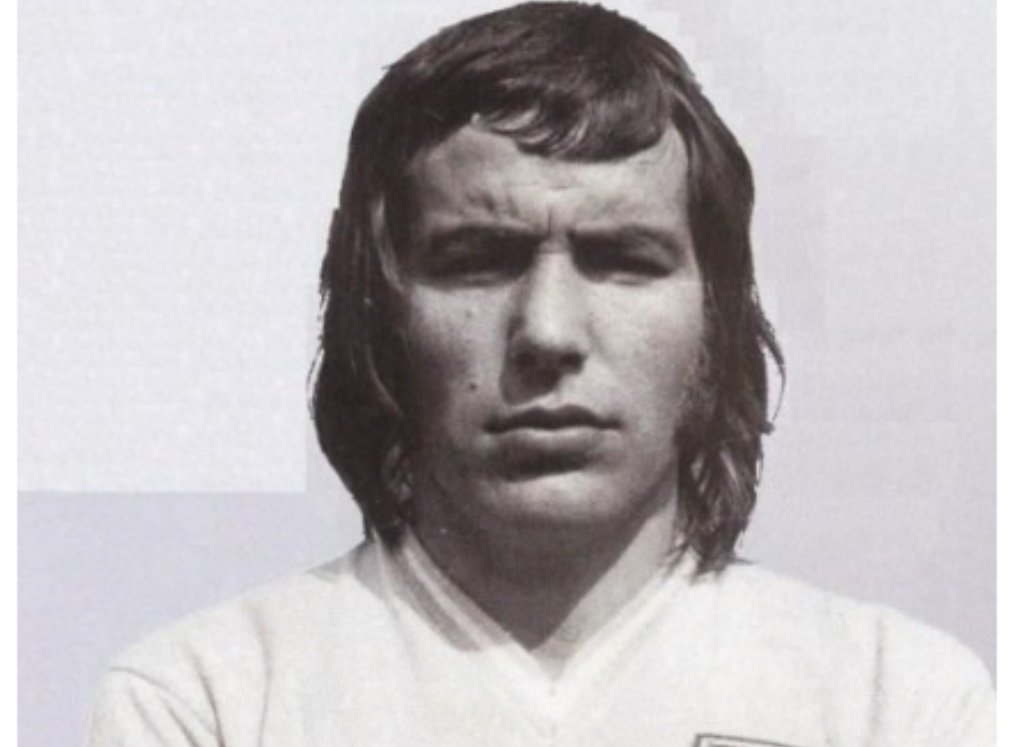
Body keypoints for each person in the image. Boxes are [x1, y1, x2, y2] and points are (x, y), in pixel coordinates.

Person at [87, 3, 995, 745]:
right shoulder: (207, 702)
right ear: (380, 318)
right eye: (478, 261)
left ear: (714, 323)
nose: (548, 331)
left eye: (621, 259)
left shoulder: (896, 705)